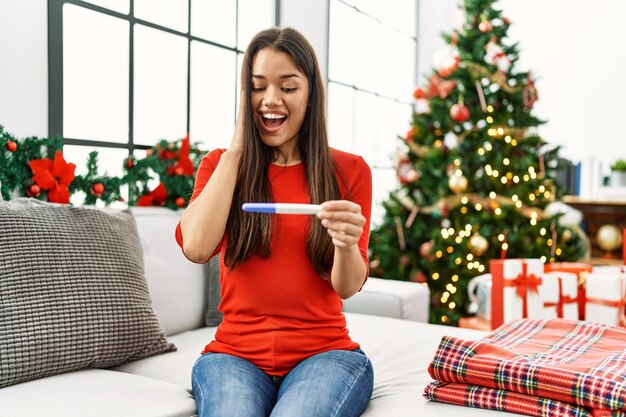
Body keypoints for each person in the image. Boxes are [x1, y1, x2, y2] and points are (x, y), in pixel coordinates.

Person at [176, 26, 374, 417]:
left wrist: (346, 243)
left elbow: (348, 287)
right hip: (233, 357)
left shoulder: (350, 171)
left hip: (327, 356)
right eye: (257, 86)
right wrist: (237, 151)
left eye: (288, 87)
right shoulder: (219, 165)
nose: (270, 99)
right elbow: (196, 248)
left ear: (311, 94)